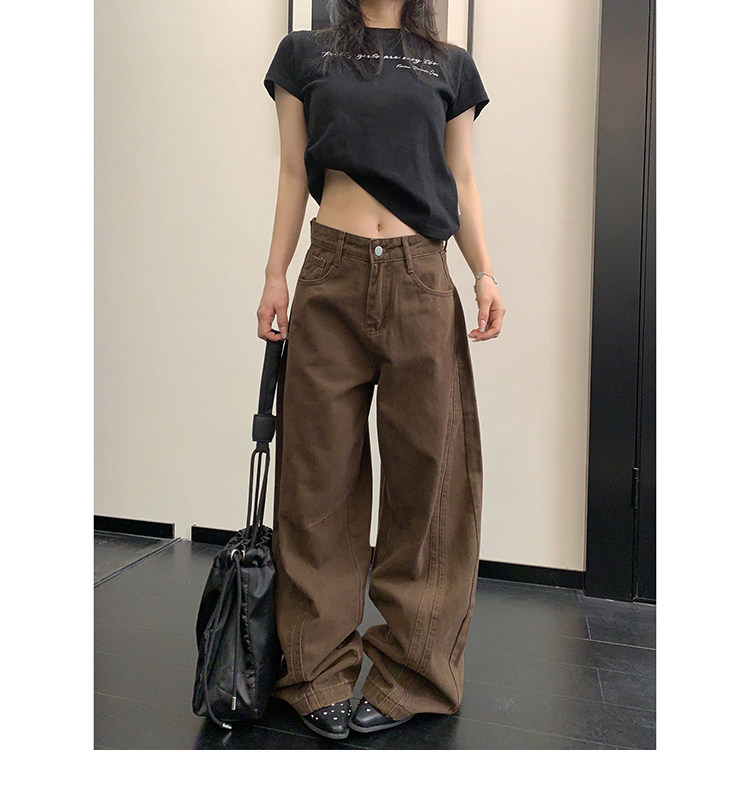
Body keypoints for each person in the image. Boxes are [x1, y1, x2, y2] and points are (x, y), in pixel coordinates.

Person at [258, 0, 505, 741]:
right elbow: (292, 173)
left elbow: (461, 178)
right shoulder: (304, 54)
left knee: (429, 480)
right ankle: (314, 671)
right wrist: (274, 275)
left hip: (421, 276)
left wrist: (484, 273)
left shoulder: (450, 65)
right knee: (316, 477)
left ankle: (413, 674)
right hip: (330, 271)